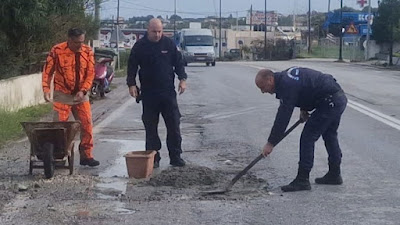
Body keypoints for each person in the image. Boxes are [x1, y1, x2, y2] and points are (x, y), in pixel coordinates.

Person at [255, 67, 347, 192]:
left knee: (307, 138)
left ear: (270, 79)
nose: (262, 91)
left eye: (262, 87)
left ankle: (302, 180)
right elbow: (305, 88)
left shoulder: (286, 85)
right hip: (337, 98)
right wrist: (304, 109)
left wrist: (271, 143)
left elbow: (283, 116)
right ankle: (334, 175)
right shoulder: (286, 79)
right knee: (330, 135)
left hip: (329, 101)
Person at [127, 18, 187, 168]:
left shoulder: (168, 44)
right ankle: (153, 157)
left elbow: (178, 62)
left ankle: (175, 156)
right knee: (151, 127)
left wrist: (182, 79)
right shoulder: (140, 46)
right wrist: (132, 84)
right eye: (154, 31)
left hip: (167, 92)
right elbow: (132, 66)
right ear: (148, 30)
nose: (157, 34)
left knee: (173, 125)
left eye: (160, 31)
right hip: (148, 93)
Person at [42, 28, 99, 167]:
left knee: (86, 124)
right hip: (62, 94)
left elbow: (90, 73)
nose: (79, 45)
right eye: (76, 42)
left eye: (82, 42)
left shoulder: (87, 51)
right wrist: (46, 88)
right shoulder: (57, 50)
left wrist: (84, 90)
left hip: (81, 94)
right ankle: (58, 156)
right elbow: (48, 70)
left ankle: (86, 156)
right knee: (60, 127)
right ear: (69, 39)